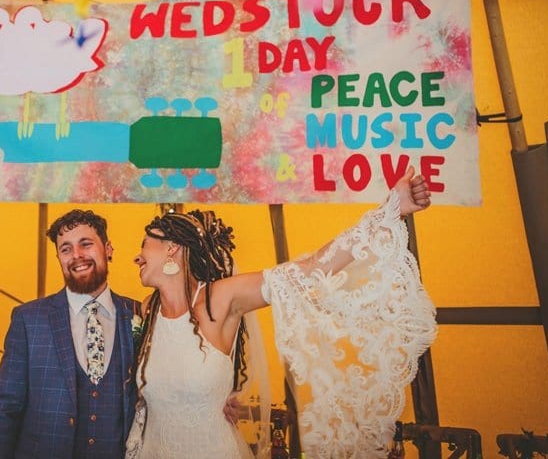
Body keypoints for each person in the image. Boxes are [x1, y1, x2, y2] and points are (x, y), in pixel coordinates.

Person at [127, 167, 438, 459]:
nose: (137, 257)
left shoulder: (221, 298)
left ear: (172, 248)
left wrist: (390, 210)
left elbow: (312, 269)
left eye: (144, 245)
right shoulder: (147, 311)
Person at [0, 209, 140, 459]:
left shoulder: (138, 313)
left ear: (108, 249)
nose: (76, 255)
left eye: (86, 244)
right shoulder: (29, 319)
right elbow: (6, 406)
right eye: (66, 249)